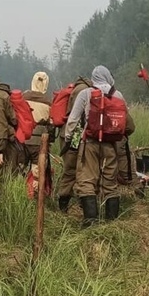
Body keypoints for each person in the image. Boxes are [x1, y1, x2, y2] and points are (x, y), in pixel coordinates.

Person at [64, 65, 127, 227]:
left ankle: (90, 222)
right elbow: (126, 121)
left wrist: (69, 139)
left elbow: (73, 120)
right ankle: (112, 224)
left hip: (90, 143)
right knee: (110, 182)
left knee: (86, 180)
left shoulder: (86, 93)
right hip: (111, 145)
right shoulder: (118, 94)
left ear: (94, 78)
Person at [55, 75, 92, 212]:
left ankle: (76, 203)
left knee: (77, 171)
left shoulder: (81, 88)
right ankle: (63, 204)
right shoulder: (82, 90)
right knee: (71, 171)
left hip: (74, 135)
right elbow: (75, 117)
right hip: (73, 136)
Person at [23, 71, 52, 194]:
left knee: (20, 169)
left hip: (22, 139)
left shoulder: (23, 98)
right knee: (37, 171)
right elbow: (51, 124)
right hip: (40, 141)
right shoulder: (48, 102)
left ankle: (17, 195)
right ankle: (35, 196)